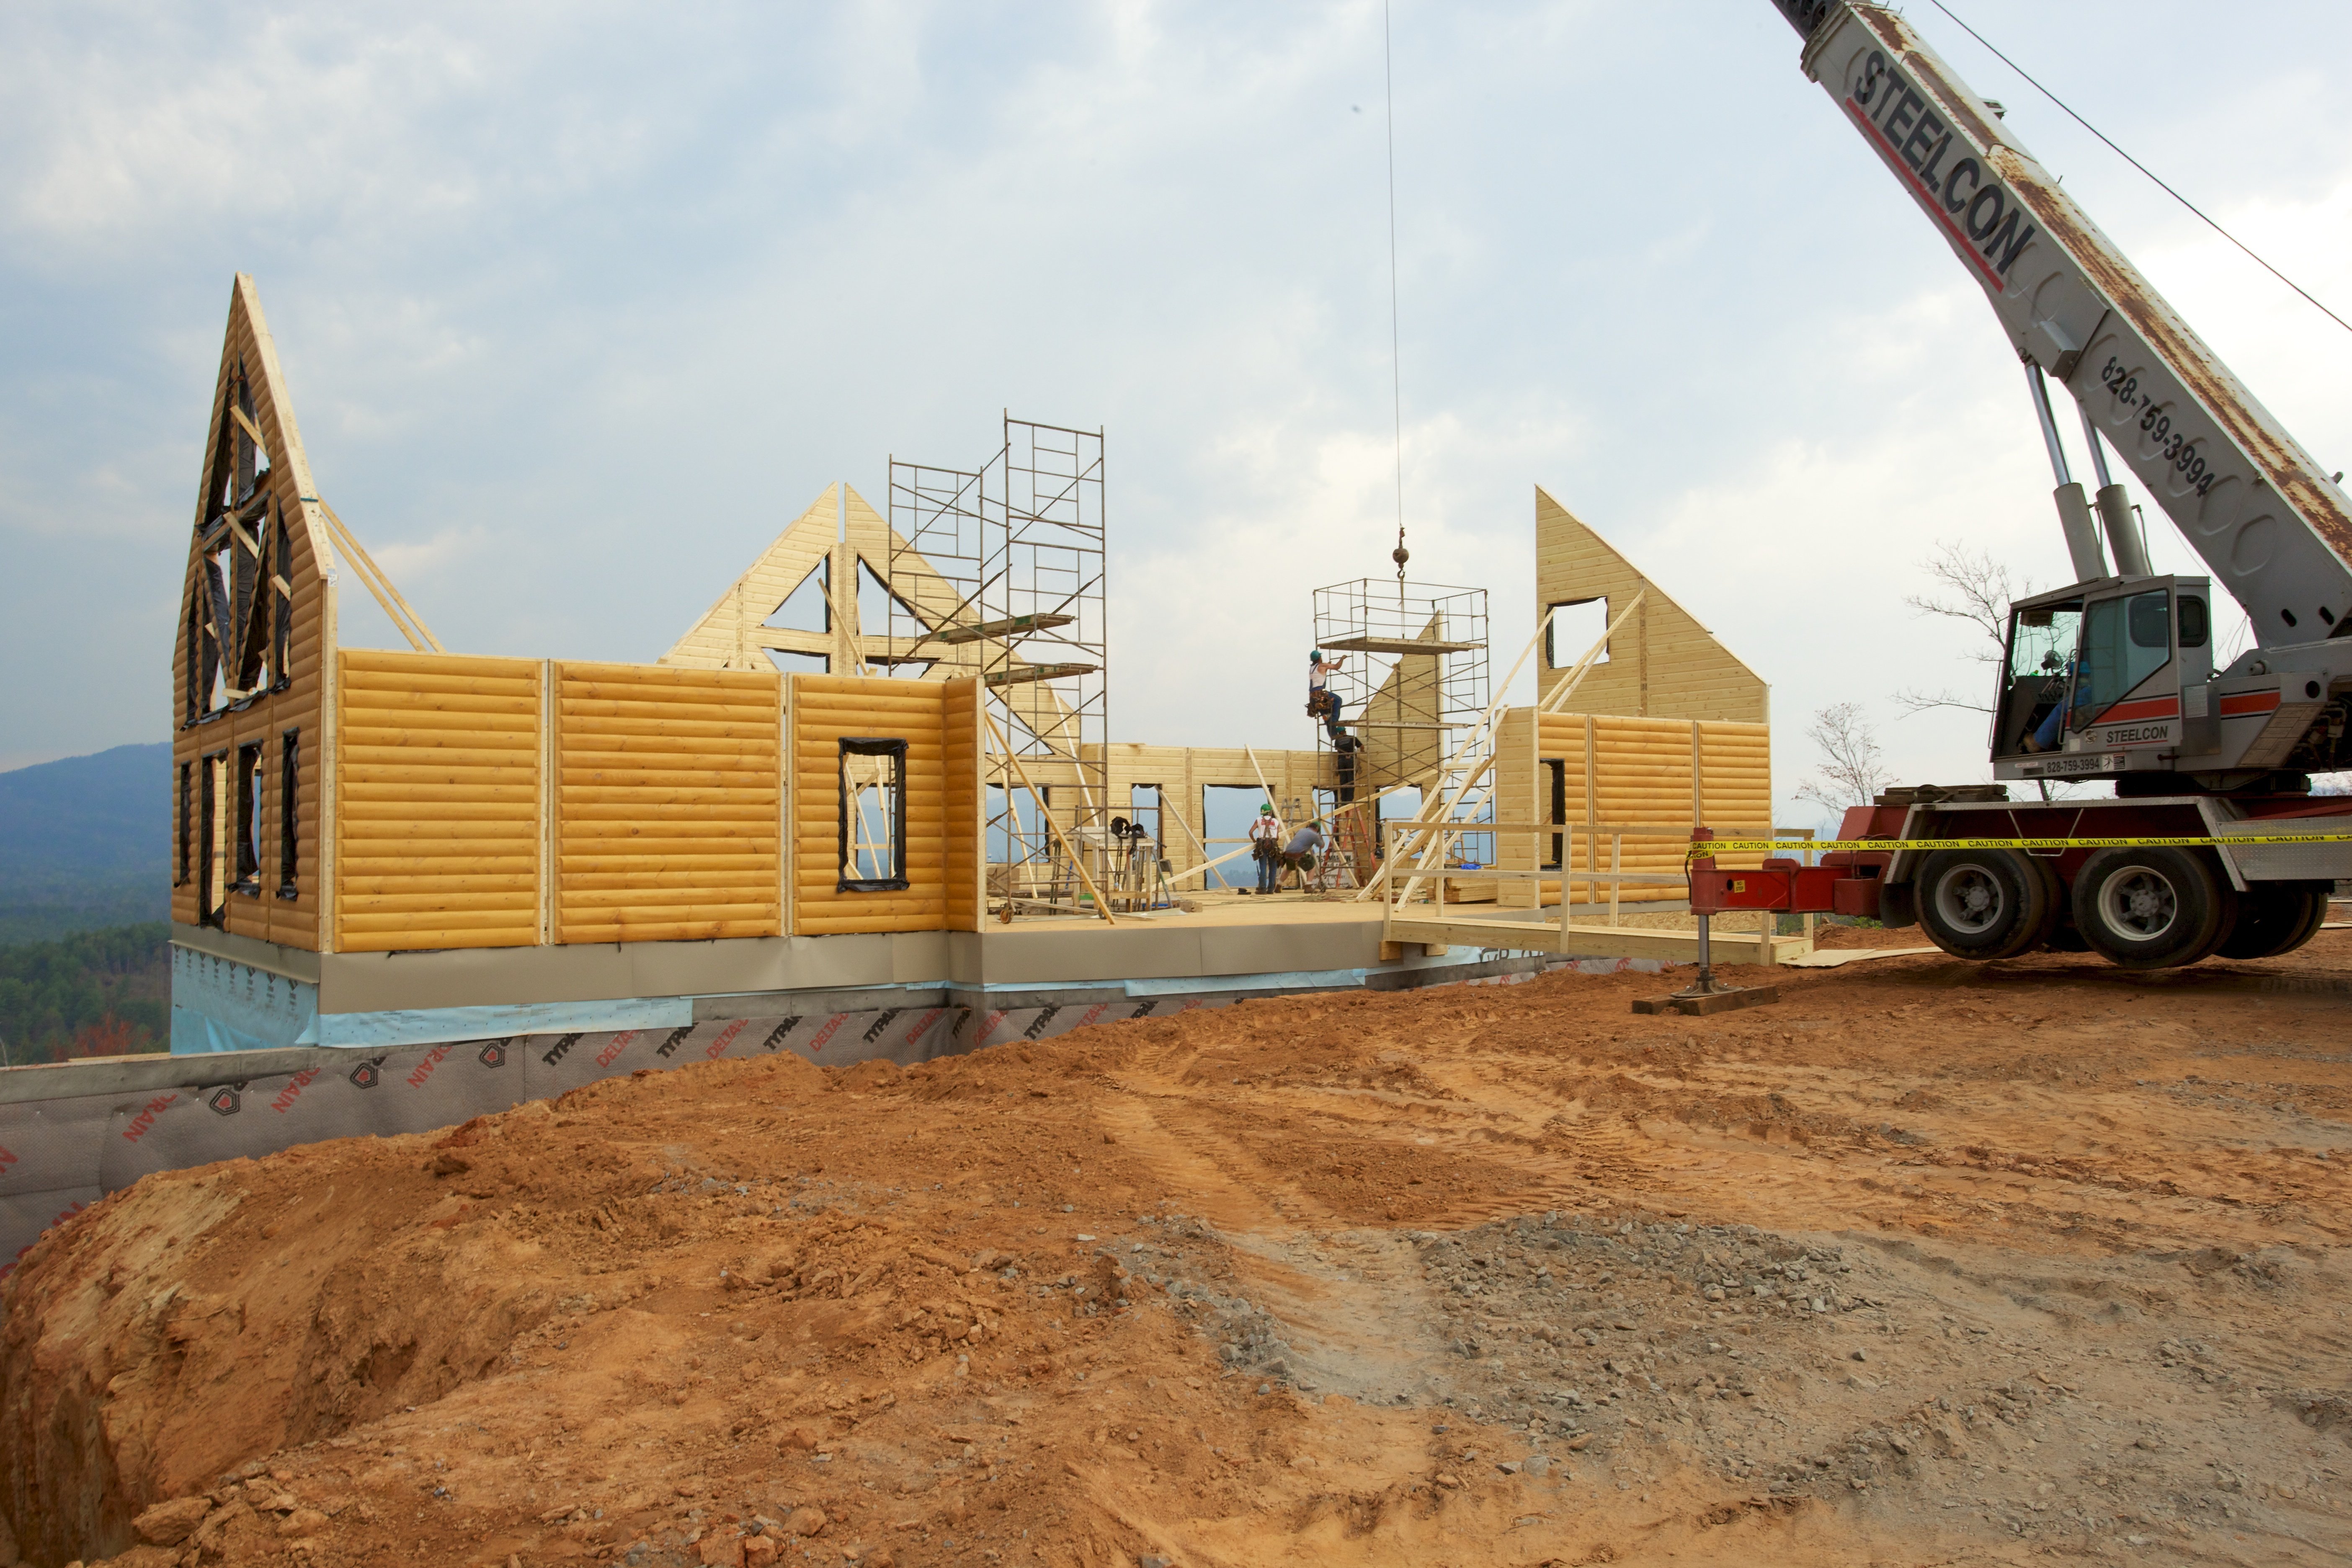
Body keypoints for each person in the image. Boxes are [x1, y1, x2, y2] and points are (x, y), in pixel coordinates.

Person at [1307, 649, 1348, 741]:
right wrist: (1342, 659)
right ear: (1319, 658)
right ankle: (1334, 720)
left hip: (1313, 697)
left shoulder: (1312, 669)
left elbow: (1320, 675)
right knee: (1338, 700)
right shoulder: (1322, 666)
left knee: (1326, 715)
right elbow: (1337, 667)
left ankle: (1333, 735)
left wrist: (1326, 666)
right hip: (1320, 693)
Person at [1278, 818, 1328, 891]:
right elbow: (1322, 846)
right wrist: (1321, 838)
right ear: (1317, 829)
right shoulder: (1315, 835)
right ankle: (1308, 887)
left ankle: (1278, 887)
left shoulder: (1301, 830)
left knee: (1289, 869)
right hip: (1298, 855)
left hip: (1288, 853)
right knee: (1312, 866)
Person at [1248, 803, 1284, 894]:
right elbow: (1277, 837)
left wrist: (1254, 841)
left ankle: (1263, 889)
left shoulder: (1259, 820)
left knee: (1263, 867)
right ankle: (1271, 889)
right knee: (1273, 868)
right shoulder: (1276, 821)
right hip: (1273, 845)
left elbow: (1251, 832)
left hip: (1262, 845)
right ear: (1270, 812)